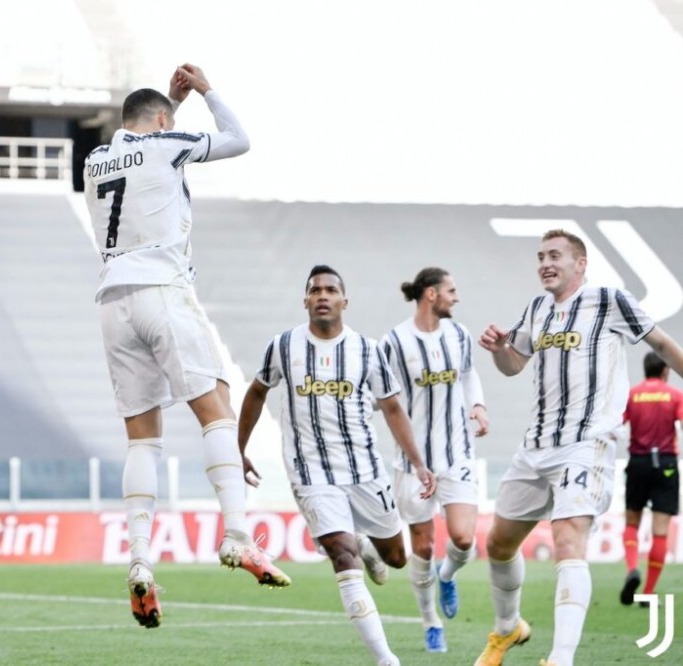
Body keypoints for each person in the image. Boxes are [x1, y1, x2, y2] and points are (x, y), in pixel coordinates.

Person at [83, 63, 290, 629]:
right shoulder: (166, 142)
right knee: (216, 408)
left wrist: (172, 107)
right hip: (162, 288)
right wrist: (204, 91)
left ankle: (139, 561)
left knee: (142, 439)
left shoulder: (95, 159)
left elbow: (144, 148)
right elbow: (238, 140)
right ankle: (238, 534)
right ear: (161, 122)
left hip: (112, 301)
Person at [475, 229, 683, 666]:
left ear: (580, 263)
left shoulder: (609, 300)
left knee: (568, 539)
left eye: (555, 255)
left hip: (586, 444)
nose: (545, 264)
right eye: (541, 257)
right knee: (498, 544)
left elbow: (661, 344)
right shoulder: (537, 308)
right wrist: (498, 350)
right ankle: (508, 627)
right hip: (536, 446)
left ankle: (561, 658)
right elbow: (514, 365)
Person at [238, 264, 436, 666]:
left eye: (330, 290)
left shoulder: (367, 350)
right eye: (315, 291)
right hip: (311, 473)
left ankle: (367, 544)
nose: (323, 296)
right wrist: (237, 449)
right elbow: (257, 392)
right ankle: (386, 659)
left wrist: (418, 463)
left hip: (365, 470)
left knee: (397, 558)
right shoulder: (283, 347)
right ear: (305, 301)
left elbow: (392, 407)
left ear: (345, 301)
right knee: (341, 555)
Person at [380, 268, 489, 654]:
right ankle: (431, 623)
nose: (456, 297)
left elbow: (469, 374)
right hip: (413, 463)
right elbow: (384, 398)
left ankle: (447, 574)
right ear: (431, 294)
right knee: (423, 547)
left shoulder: (459, 335)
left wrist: (478, 405)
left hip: (457, 454)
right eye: (451, 290)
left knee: (464, 539)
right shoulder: (394, 342)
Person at [619, 351, 682, 606]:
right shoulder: (675, 395)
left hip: (638, 463)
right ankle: (648, 591)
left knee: (632, 521)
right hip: (666, 464)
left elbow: (616, 425)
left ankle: (632, 568)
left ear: (645, 369)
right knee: (660, 531)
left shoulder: (632, 395)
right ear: (665, 371)